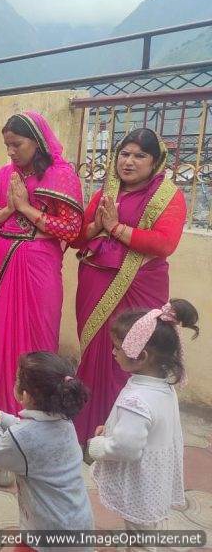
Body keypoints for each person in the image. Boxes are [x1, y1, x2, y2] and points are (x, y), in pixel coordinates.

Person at [73, 128, 186, 445]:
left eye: (139, 155)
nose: (129, 162)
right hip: (95, 281)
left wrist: (115, 228)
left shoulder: (168, 196)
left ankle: (121, 437)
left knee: (129, 354)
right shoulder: (106, 192)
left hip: (140, 286)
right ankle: (86, 429)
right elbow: (77, 237)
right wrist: (97, 225)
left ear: (155, 161)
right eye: (124, 153)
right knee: (94, 353)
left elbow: (164, 243)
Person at [0, 112, 83, 414]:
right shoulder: (2, 176)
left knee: (39, 331)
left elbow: (71, 229)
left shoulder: (61, 175)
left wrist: (25, 208)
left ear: (37, 142)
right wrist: (8, 210)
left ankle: (39, 409)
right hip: (4, 260)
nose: (10, 152)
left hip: (40, 264)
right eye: (7, 145)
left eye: (17, 144)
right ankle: (1, 407)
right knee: (3, 336)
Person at [89, 300, 197, 548]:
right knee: (144, 527)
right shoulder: (162, 386)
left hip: (139, 481)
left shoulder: (137, 399)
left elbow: (126, 448)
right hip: (155, 477)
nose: (113, 353)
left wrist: (98, 445)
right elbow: (145, 429)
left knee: (141, 533)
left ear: (142, 356)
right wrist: (113, 430)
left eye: (117, 348)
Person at [0, 352, 93, 549]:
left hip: (47, 529)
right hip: (77, 521)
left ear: (25, 395)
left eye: (16, 380)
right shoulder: (64, 421)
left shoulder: (23, 436)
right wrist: (0, 417)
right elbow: (29, 431)